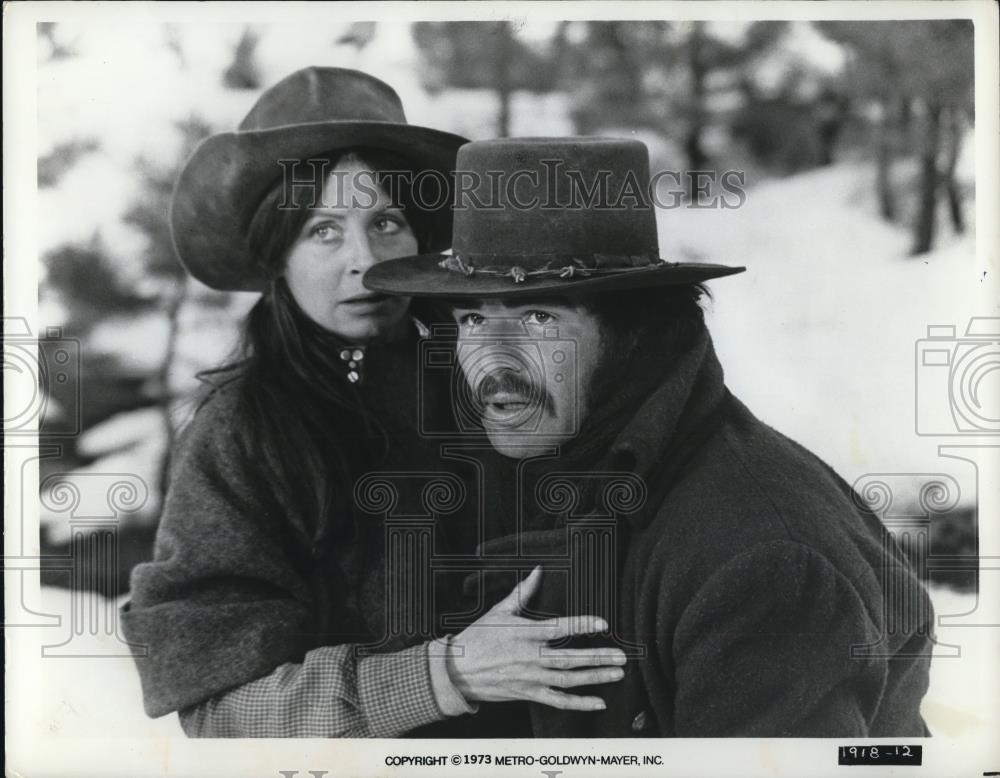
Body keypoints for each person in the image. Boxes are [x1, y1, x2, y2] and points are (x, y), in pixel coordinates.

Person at [364, 137, 936, 737]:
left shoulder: (762, 560)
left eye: (540, 317)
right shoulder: (573, 464)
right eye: (473, 319)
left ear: (634, 336)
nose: (491, 362)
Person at [121, 71, 626, 738]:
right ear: (277, 258)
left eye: (387, 222)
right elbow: (221, 714)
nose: (366, 260)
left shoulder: (490, 376)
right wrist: (444, 675)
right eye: (323, 231)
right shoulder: (241, 433)